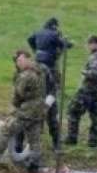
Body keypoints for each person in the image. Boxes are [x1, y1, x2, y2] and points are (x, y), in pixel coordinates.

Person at [0, 50, 47, 173]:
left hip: (27, 110)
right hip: (39, 110)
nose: (18, 63)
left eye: (20, 60)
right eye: (17, 61)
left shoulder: (25, 75)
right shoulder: (40, 71)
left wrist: (15, 106)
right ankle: (34, 165)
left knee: (6, 128)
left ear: (27, 59)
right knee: (34, 138)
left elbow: (18, 94)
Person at [27, 17, 71, 148]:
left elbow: (29, 39)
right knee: (52, 111)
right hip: (50, 68)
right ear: (55, 26)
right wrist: (68, 44)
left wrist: (35, 50)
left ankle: (28, 143)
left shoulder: (38, 32)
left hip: (38, 64)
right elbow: (64, 44)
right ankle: (56, 143)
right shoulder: (54, 33)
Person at [65, 35, 97, 147]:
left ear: (96, 44)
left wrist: (85, 72)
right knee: (95, 115)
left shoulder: (95, 56)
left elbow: (94, 73)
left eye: (89, 44)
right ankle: (93, 142)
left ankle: (72, 138)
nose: (88, 46)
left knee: (73, 110)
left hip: (89, 89)